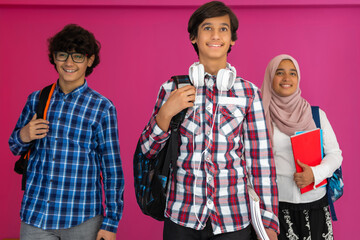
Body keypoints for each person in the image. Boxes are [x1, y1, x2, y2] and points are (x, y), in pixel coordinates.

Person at [139, 1, 279, 239]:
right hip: (181, 217)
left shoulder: (249, 93)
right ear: (194, 37)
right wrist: (165, 113)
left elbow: (260, 162)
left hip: (233, 219)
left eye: (223, 29)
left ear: (232, 39)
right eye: (207, 28)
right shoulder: (171, 88)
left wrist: (268, 222)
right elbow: (147, 151)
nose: (215, 35)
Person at [9, 24, 124, 240]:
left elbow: (112, 170)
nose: (69, 63)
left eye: (78, 56)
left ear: (89, 60)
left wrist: (111, 223)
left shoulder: (102, 107)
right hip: (36, 217)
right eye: (63, 55)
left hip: (82, 218)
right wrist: (24, 135)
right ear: (54, 58)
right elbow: (14, 146)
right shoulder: (36, 99)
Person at [261, 54, 342, 240]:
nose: (287, 78)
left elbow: (335, 154)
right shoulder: (261, 115)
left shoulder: (315, 114)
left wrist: (314, 173)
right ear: (270, 77)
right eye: (279, 73)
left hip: (315, 205)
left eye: (292, 73)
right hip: (277, 207)